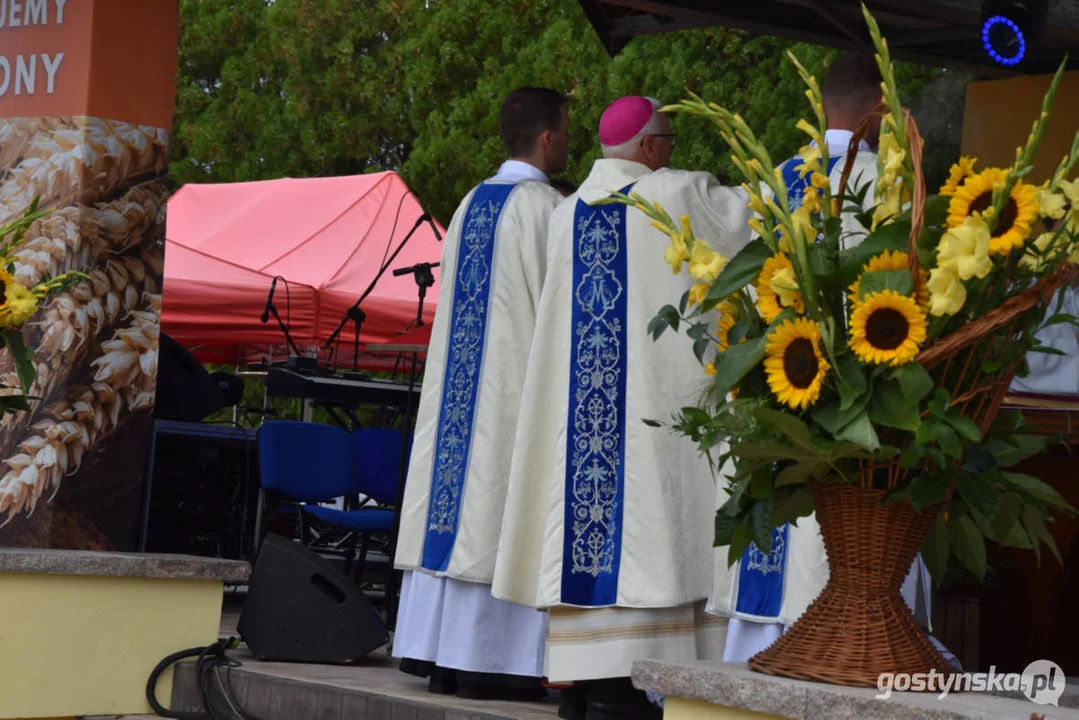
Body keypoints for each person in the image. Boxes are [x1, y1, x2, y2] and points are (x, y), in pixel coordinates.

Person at [491, 96, 753, 719]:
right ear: (650, 148)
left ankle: (583, 686)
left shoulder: (567, 211)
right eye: (668, 140)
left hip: (583, 429)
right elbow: (750, 223)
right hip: (644, 422)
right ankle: (629, 690)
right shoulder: (676, 194)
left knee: (592, 530)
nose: (671, 151)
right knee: (649, 534)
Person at [708, 53, 939, 665]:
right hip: (860, 396)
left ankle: (760, 646)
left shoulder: (772, 179)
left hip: (782, 388)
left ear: (824, 107)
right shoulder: (886, 182)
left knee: (787, 515)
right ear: (878, 109)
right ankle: (852, 649)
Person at [392, 86, 570, 700]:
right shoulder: (546, 209)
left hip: (459, 400)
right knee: (500, 508)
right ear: (549, 138)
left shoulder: (470, 203)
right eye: (566, 133)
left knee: (459, 505)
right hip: (511, 395)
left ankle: (441, 652)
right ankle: (495, 660)